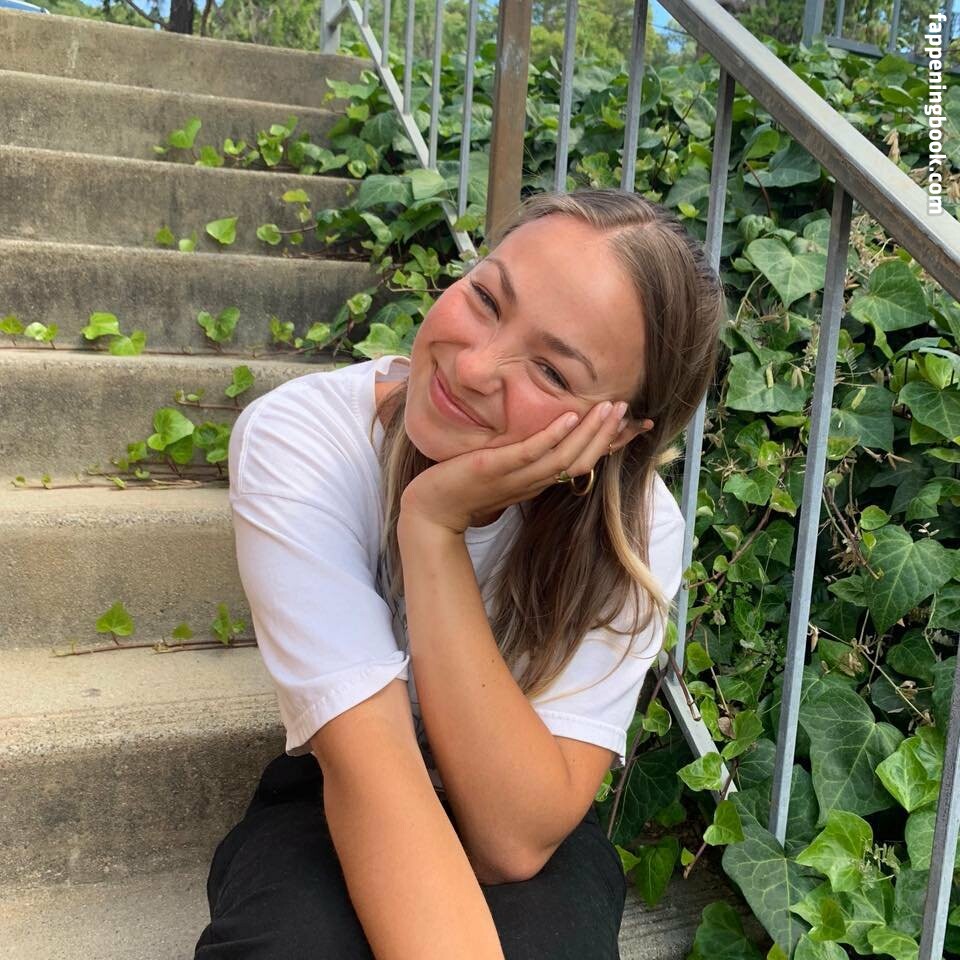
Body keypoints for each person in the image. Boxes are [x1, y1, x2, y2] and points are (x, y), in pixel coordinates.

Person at [193, 187, 725, 959]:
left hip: (520, 800)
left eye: (551, 371)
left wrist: (434, 530)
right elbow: (370, 769)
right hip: (336, 783)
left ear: (617, 434)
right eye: (485, 298)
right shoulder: (303, 441)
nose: (473, 366)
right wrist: (429, 520)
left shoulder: (637, 532)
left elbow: (513, 839)